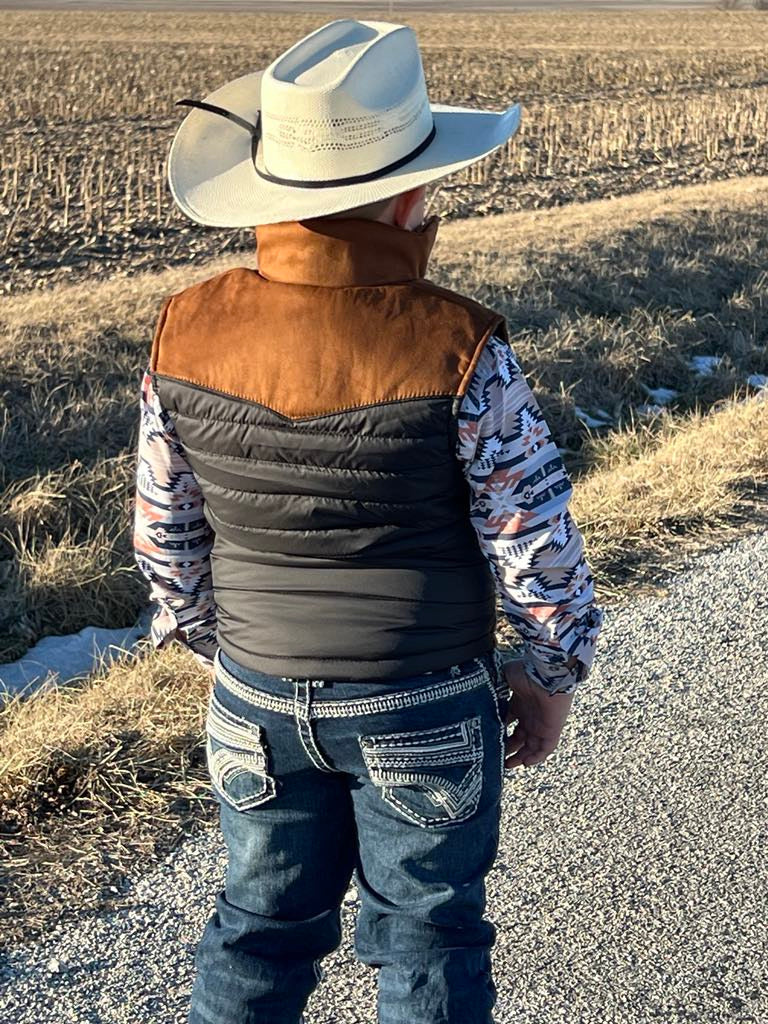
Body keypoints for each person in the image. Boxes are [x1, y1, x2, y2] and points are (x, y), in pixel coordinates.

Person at [132, 18, 604, 1024]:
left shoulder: (184, 329)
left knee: (255, 930)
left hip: (252, 696)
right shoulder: (459, 345)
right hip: (424, 701)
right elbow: (536, 541)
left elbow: (165, 539)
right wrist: (550, 673)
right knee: (429, 940)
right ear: (404, 197)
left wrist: (229, 655)